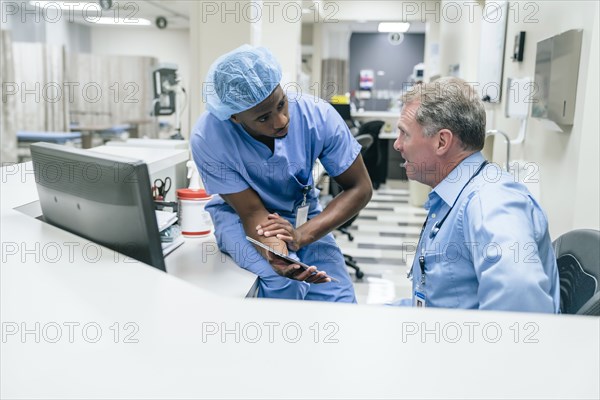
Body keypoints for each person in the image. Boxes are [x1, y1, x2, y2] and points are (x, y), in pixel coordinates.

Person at [190, 45, 372, 302]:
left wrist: (302, 235)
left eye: (281, 104)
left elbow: (359, 187)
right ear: (235, 118)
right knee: (283, 281)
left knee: (338, 299)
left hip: (302, 215)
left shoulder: (317, 116)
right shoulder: (209, 137)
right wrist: (278, 254)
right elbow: (252, 212)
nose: (281, 120)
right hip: (241, 217)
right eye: (264, 118)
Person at [393, 77, 560, 312]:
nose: (397, 145)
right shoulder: (454, 197)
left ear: (442, 141)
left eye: (404, 134)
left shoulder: (489, 202)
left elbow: (519, 299)